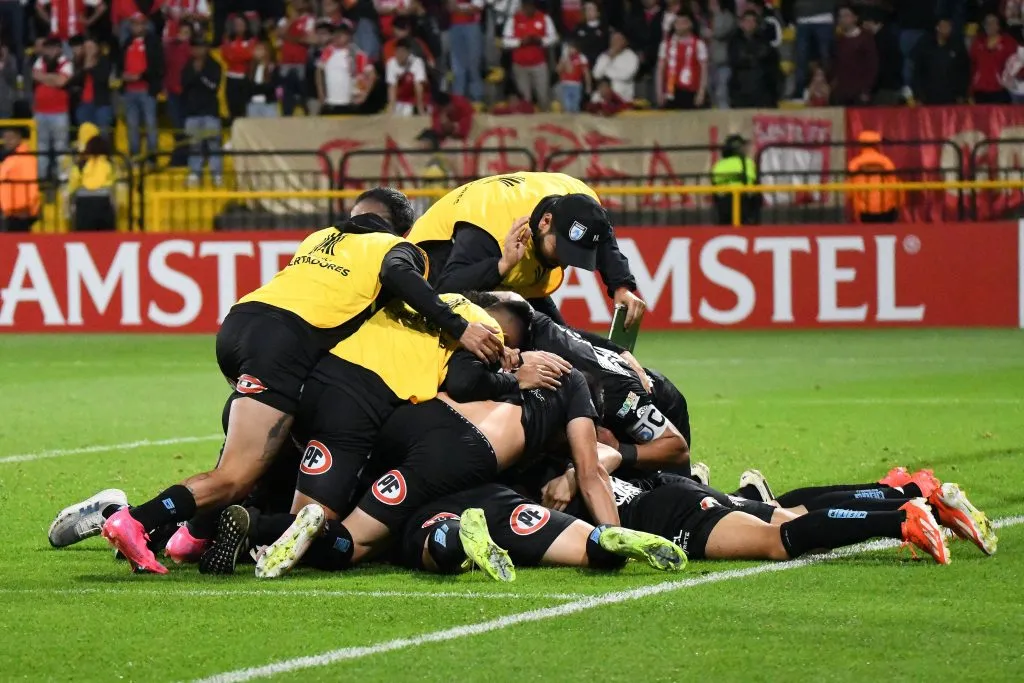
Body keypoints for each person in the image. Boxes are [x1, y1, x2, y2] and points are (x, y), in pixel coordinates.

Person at [101, 188, 504, 575]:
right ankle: (138, 521)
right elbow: (399, 273)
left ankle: (190, 538)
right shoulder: (395, 248)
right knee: (236, 475)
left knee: (255, 454)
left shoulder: (320, 238)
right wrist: (460, 327)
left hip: (240, 324)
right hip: (283, 345)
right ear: (402, 231)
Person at [406, 171, 646, 327]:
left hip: (503, 263)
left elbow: (602, 236)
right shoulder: (491, 227)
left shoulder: (581, 200)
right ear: (545, 222)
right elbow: (446, 289)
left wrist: (621, 285)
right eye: (562, 250)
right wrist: (501, 266)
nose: (564, 262)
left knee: (563, 340)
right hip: (433, 262)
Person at [400, 484, 686, 578]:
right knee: (590, 549)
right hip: (503, 497)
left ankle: (463, 539)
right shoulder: (563, 390)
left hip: (427, 503)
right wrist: (572, 473)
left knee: (432, 544)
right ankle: (608, 536)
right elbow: (604, 454)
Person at [181, 35, 223, 186]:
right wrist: (195, 74)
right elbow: (184, 84)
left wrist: (200, 75)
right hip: (192, 112)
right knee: (194, 145)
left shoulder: (214, 65)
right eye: (195, 47)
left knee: (214, 144)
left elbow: (213, 87)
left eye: (201, 47)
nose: (197, 50)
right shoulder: (188, 65)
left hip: (210, 112)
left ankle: (216, 174)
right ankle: (195, 173)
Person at [121, 12, 163, 159]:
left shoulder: (153, 42)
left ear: (145, 25)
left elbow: (158, 65)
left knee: (150, 123)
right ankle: (135, 155)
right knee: (132, 125)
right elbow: (121, 63)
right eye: (133, 24)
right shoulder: (127, 42)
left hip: (146, 89)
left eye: (139, 23)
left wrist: (140, 76)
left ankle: (152, 157)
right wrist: (123, 75)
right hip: (129, 90)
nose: (136, 27)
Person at [503, 0, 558, 110]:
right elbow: (505, 41)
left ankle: (547, 122)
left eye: (531, 6)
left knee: (543, 96)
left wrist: (541, 41)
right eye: (526, 6)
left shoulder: (544, 18)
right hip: (520, 66)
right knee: (525, 100)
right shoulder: (513, 19)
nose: (529, 9)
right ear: (522, 6)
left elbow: (554, 38)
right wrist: (521, 42)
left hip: (539, 64)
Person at [32, 35, 72, 183]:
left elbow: (61, 82)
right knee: (41, 146)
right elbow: (35, 76)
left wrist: (44, 77)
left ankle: (62, 177)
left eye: (51, 48)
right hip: (40, 111)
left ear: (59, 49)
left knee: (61, 146)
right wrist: (52, 78)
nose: (48, 51)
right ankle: (41, 177)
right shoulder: (40, 61)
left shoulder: (66, 63)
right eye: (47, 48)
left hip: (59, 112)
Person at [317, 20, 376, 115]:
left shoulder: (357, 53)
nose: (338, 35)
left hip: (349, 104)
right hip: (330, 103)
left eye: (342, 33)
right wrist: (321, 93)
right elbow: (319, 71)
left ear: (349, 35)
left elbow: (372, 75)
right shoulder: (328, 51)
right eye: (336, 32)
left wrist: (364, 95)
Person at [67, 122, 116, 231]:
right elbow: (112, 184)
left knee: (84, 239)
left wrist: (70, 208)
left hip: (84, 205)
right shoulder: (108, 163)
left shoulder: (80, 164)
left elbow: (72, 186)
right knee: (106, 242)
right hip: (104, 203)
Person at [727, 8, 778, 108]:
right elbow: (735, 60)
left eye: (752, 21)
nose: (749, 24)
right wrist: (753, 58)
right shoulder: (734, 41)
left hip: (761, 89)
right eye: (746, 21)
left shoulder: (763, 40)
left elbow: (770, 60)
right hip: (740, 88)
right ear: (741, 23)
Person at [847, 130, 901, 224]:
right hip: (887, 208)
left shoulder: (854, 163)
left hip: (865, 209)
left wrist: (854, 209)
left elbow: (850, 190)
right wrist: (898, 205)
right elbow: (895, 185)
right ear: (877, 145)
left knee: (869, 235)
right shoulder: (885, 161)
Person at [913, 16, 969, 105]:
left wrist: (961, 94)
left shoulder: (957, 46)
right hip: (929, 97)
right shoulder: (925, 46)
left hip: (951, 97)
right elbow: (918, 72)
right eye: (944, 26)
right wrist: (918, 95)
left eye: (949, 27)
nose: (947, 29)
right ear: (937, 27)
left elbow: (964, 71)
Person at [656, 13, 708, 109]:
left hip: (691, 91)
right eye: (677, 22)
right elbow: (660, 70)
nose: (679, 25)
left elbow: (704, 70)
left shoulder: (698, 44)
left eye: (683, 22)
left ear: (690, 24)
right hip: (670, 90)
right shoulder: (665, 44)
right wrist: (659, 92)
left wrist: (701, 93)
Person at [829, 5, 877, 106]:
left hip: (860, 93)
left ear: (855, 18)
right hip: (841, 93)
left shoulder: (866, 38)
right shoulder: (838, 41)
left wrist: (866, 90)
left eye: (846, 16)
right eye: (840, 16)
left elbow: (872, 65)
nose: (842, 19)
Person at [710, 133, 761, 226]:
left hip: (723, 203)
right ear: (738, 149)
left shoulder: (718, 165)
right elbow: (753, 182)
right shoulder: (747, 162)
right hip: (743, 202)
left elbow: (714, 183)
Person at [277, 0, 317, 116]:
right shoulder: (285, 20)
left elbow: (311, 39)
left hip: (301, 63)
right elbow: (279, 33)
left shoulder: (309, 19)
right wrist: (292, 20)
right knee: (286, 97)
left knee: (303, 96)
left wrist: (288, 38)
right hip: (285, 63)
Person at [791, 0, 837, 99]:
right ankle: (800, 91)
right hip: (802, 19)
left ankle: (830, 91)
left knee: (826, 57)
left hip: (824, 18)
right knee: (801, 59)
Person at [0, 120, 39, 233]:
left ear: (19, 139)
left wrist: (29, 207)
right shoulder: (11, 158)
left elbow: (31, 184)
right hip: (10, 211)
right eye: (5, 138)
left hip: (21, 212)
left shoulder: (24, 158)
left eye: (11, 138)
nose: (7, 141)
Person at [70, 35, 112, 136]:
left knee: (102, 135)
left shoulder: (104, 61)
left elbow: (102, 79)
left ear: (97, 48)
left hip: (101, 104)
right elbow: (76, 81)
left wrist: (90, 66)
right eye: (86, 47)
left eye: (91, 47)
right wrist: (86, 64)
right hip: (83, 104)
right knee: (85, 135)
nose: (88, 50)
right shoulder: (78, 63)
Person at [970, 12, 1015, 105]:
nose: (989, 25)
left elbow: (1015, 64)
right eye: (987, 23)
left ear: (999, 25)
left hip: (1000, 90)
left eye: (993, 22)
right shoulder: (977, 43)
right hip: (980, 90)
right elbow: (972, 65)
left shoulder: (1008, 43)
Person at [861, 9, 901, 106]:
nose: (863, 26)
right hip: (891, 86)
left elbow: (878, 67)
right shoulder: (888, 37)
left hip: (883, 89)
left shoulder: (879, 41)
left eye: (865, 22)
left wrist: (871, 88)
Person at [221, 13, 257, 122]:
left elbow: (251, 55)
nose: (238, 26)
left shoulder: (252, 40)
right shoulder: (227, 39)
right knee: (233, 111)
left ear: (246, 25)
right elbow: (226, 56)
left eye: (241, 24)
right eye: (236, 24)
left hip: (246, 79)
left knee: (245, 111)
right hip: (231, 78)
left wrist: (235, 54)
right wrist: (242, 54)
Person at [447, 0, 484, 102]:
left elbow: (477, 8)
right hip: (455, 26)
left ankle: (476, 99)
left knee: (473, 65)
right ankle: (458, 99)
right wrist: (465, 8)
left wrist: (459, 8)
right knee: (458, 67)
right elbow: (450, 7)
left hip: (471, 26)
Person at [592, 28, 639, 103]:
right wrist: (608, 58)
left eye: (618, 40)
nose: (615, 42)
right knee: (594, 99)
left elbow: (626, 75)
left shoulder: (631, 56)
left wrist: (606, 73)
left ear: (625, 42)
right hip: (604, 91)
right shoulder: (604, 55)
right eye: (613, 40)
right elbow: (596, 74)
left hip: (622, 93)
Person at [385, 37, 428, 115]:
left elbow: (419, 86)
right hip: (402, 101)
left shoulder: (417, 62)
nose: (400, 55)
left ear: (408, 52)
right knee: (404, 112)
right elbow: (392, 87)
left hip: (416, 98)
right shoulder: (391, 63)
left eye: (402, 52)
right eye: (397, 51)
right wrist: (391, 109)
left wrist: (420, 108)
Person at [705, 0, 735, 109]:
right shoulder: (706, 18)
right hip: (708, 63)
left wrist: (711, 33)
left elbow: (724, 31)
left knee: (722, 94)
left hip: (723, 62)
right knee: (709, 94)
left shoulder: (727, 16)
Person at [245, 41, 280, 117]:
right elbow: (248, 86)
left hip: (268, 104)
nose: (256, 52)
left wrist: (257, 88)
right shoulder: (250, 68)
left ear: (266, 52)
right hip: (253, 104)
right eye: (256, 49)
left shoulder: (272, 68)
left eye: (260, 49)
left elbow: (272, 86)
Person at [556, 38, 589, 112]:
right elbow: (558, 70)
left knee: (575, 106)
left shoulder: (582, 57)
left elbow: (586, 73)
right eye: (568, 48)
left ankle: (576, 122)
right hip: (565, 85)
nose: (569, 50)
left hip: (576, 85)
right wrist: (564, 59)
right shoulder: (564, 58)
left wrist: (588, 85)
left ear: (576, 48)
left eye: (571, 48)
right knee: (567, 106)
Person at [573, 0, 607, 69]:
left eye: (591, 9)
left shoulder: (605, 29)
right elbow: (574, 45)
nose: (588, 12)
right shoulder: (578, 28)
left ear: (598, 12)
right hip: (582, 64)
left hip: (600, 64)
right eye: (586, 9)